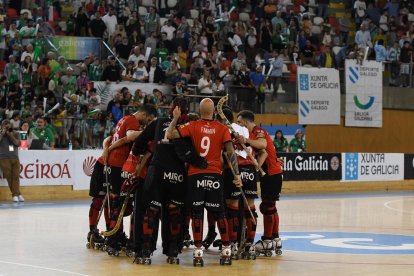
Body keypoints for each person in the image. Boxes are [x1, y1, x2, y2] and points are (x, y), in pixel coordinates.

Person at [166, 98, 242, 266]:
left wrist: (175, 118)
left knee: (197, 213)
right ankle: (227, 248)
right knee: (219, 213)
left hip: (196, 175)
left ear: (200, 111)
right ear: (214, 111)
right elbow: (230, 152)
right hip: (215, 175)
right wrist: (237, 175)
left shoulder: (192, 126)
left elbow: (170, 134)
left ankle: (198, 249)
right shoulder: (222, 128)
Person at [132, 98, 207, 264]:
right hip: (178, 174)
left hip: (157, 171)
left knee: (151, 210)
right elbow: (194, 152)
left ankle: (145, 249)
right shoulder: (189, 127)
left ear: (171, 109)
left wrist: (143, 152)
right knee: (174, 213)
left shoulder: (158, 122)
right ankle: (173, 250)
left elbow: (138, 143)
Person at [103, 104, 157, 253]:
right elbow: (131, 137)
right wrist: (152, 132)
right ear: (145, 115)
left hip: (115, 164)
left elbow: (112, 138)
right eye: (148, 120)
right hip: (122, 164)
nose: (146, 124)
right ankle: (122, 240)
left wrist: (108, 148)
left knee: (116, 202)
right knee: (127, 205)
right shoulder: (133, 121)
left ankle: (115, 238)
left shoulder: (124, 118)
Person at [236, 110, 283, 257]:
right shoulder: (256, 132)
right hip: (274, 172)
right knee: (271, 206)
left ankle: (267, 240)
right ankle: (275, 238)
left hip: (271, 173)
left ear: (245, 121)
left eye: (239, 122)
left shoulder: (258, 131)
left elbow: (263, 146)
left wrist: (246, 141)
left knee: (267, 207)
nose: (238, 125)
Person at [0, 119, 23, 202]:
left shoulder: (16, 133)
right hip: (4, 158)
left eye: (8, 124)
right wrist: (3, 133)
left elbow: (17, 143)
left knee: (16, 176)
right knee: (9, 177)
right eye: (4, 124)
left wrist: (10, 135)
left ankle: (17, 194)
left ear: (11, 125)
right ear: (1, 126)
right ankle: (16, 195)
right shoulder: (0, 133)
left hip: (15, 157)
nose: (6, 126)